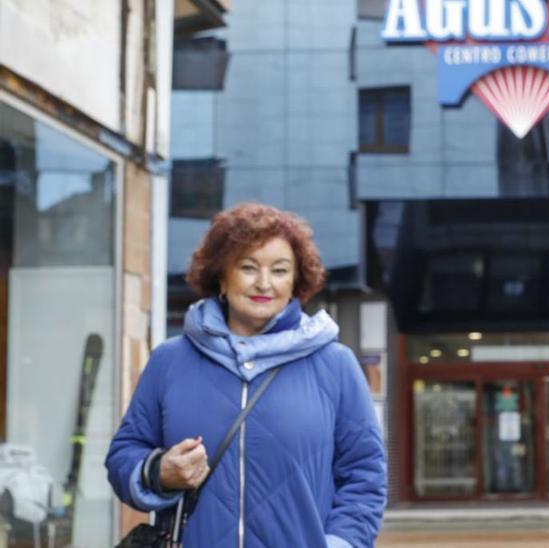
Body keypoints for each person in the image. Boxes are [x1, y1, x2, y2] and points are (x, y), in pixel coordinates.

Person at [106, 203, 385, 547]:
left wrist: (340, 543)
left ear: (296, 281)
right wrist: (159, 471)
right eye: (248, 267)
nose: (264, 283)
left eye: (280, 270)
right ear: (221, 277)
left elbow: (365, 474)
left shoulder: (335, 364)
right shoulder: (170, 361)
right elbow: (124, 453)